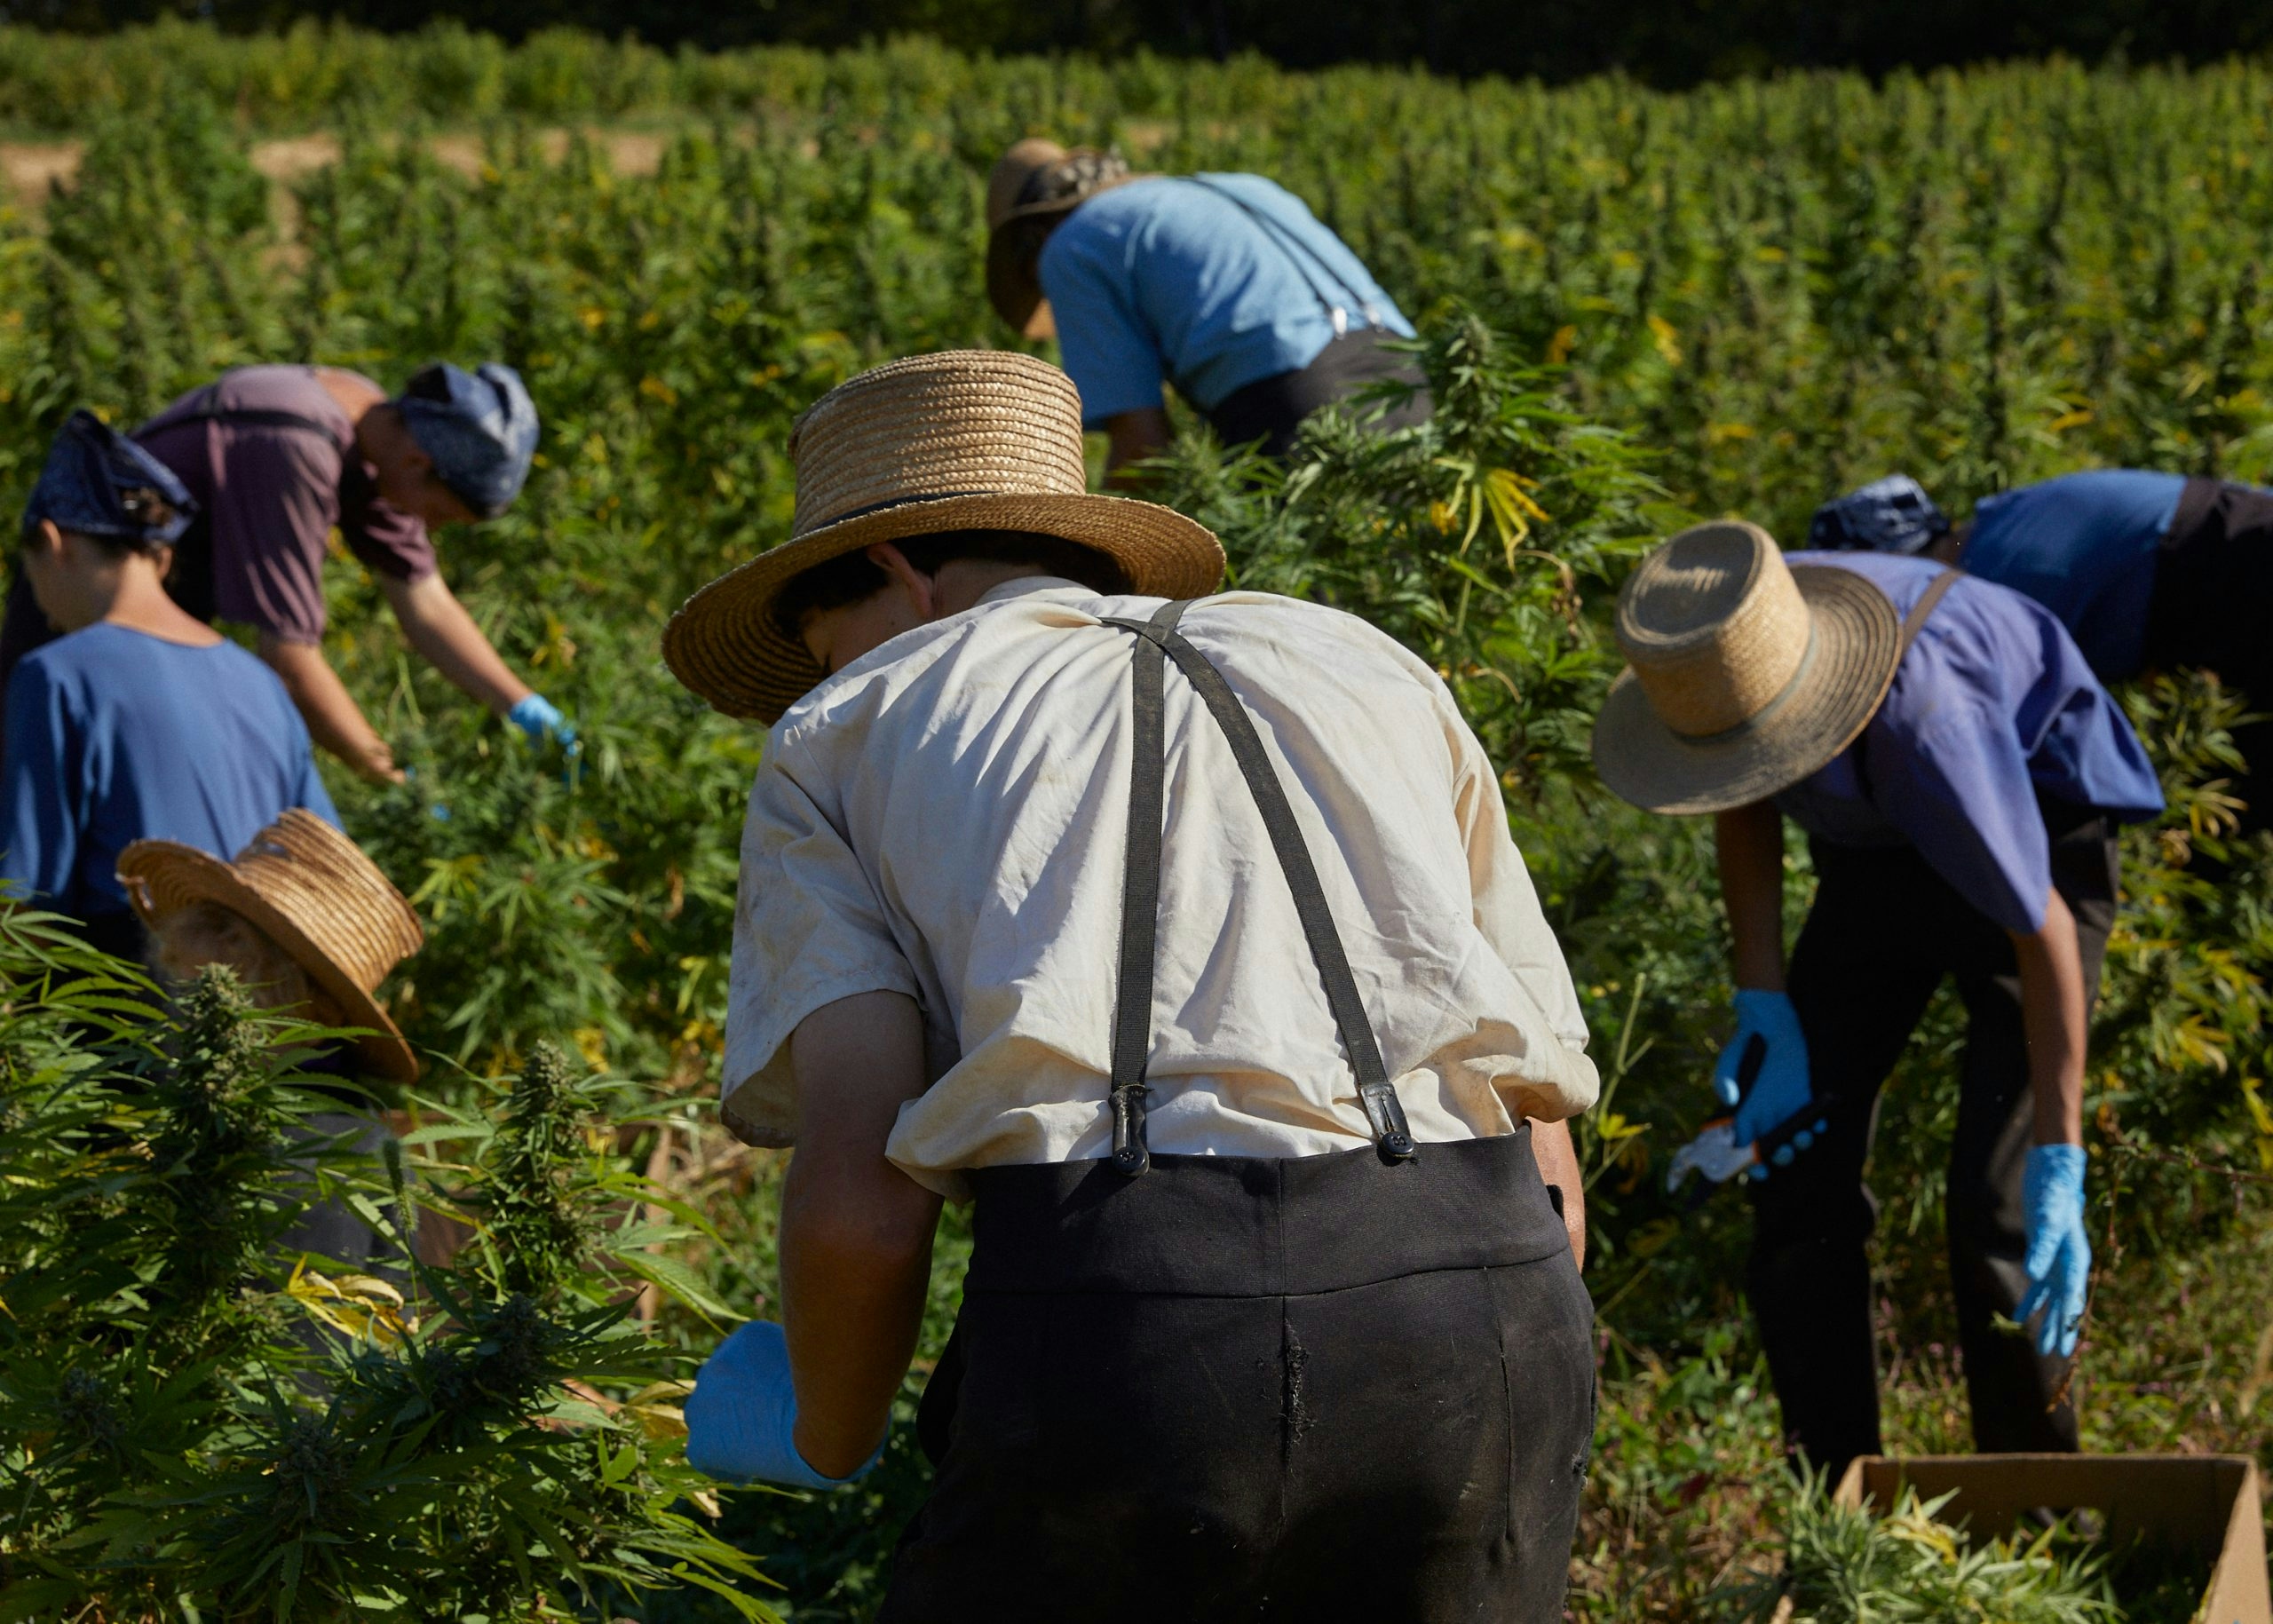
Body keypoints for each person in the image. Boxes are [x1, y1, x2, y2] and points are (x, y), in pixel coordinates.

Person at [664, 350, 1598, 1620]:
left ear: (897, 571)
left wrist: (826, 1433)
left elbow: (860, 1211)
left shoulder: (846, 730)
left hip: (1131, 1330)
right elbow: (1542, 1139)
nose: (826, 677)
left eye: (823, 645)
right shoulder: (1366, 663)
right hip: (1493, 1313)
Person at [1590, 521, 2165, 1481]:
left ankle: (2032, 1510)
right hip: (1872, 849)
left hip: (2030, 831)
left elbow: (2045, 931)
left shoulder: (1929, 731)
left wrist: (2059, 1152)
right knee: (1791, 1166)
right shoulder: (1733, 653)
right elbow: (1743, 794)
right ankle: (1841, 1495)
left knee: (1998, 1203)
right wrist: (1763, 1001)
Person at [0, 361, 570, 782]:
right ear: (419, 464)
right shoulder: (295, 443)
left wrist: (524, 708)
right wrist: (396, 781)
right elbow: (289, 659)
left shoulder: (370, 421)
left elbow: (427, 602)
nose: (433, 529)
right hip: (74, 615)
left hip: (146, 633)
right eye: (442, 514)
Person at [1, 411, 337, 963]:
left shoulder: (57, 674)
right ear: (161, 555)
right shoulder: (260, 682)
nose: (37, 601)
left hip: (130, 1005)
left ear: (52, 541)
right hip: (270, 1012)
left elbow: (27, 909)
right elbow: (324, 860)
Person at [1810, 469, 2273, 820]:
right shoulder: (1998, 521)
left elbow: (2011, 730)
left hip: (2221, 563)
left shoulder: (1982, 582)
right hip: (2228, 539)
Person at [986, 139, 1430, 477]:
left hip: (1298, 400)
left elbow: (1142, 447)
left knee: (1318, 595)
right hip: (1414, 378)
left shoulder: (1071, 245)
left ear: (1035, 239)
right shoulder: (1240, 187)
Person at [119, 806, 426, 1271]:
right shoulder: (354, 1139)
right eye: (187, 998)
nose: (185, 1021)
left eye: (210, 1000)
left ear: (301, 1002)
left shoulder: (331, 1153)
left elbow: (316, 1335)